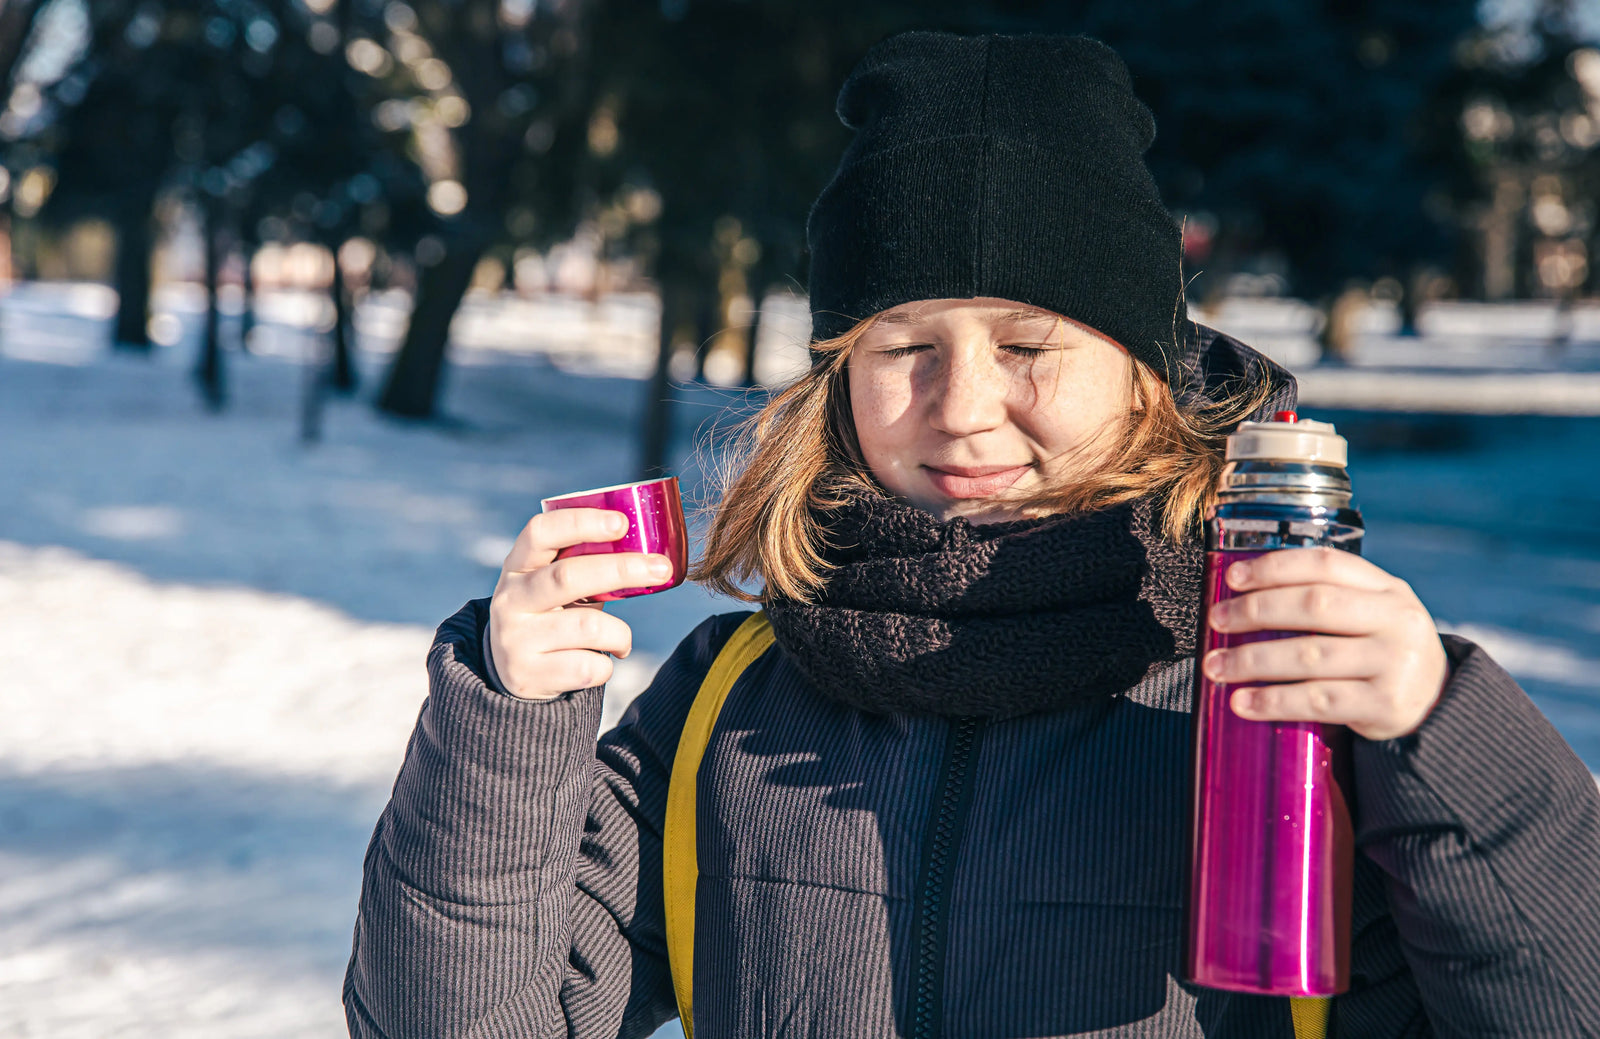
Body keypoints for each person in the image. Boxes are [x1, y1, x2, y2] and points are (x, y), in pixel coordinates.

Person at [343, 32, 1600, 1039]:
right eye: (902, 348)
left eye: (1028, 345)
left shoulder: (1303, 697)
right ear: (837, 375)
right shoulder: (725, 706)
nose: (963, 408)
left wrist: (1443, 738)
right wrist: (504, 724)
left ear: (1150, 373)